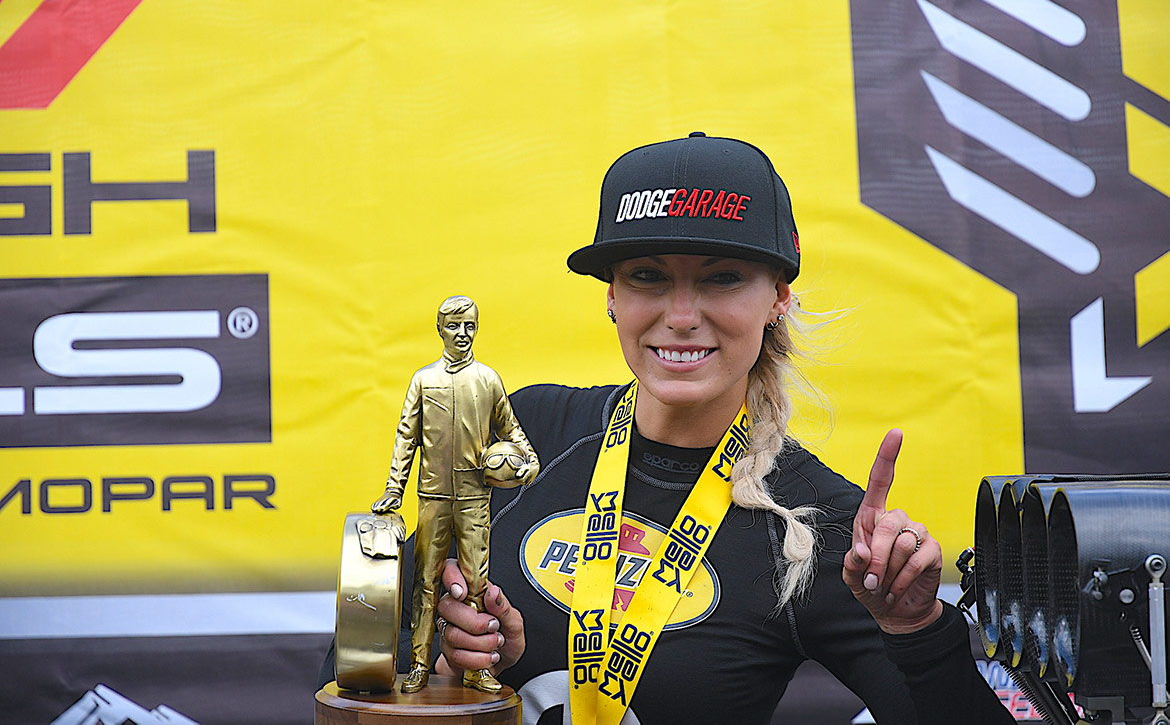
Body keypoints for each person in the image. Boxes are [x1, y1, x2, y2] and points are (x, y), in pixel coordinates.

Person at [325, 134, 1012, 724]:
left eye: (721, 278)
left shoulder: (815, 527)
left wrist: (917, 628)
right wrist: (448, 672)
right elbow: (350, 673)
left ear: (778, 297)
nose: (681, 315)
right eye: (649, 276)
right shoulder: (523, 429)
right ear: (612, 296)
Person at [369, 294, 539, 694]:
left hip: (475, 498)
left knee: (476, 583)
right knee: (425, 582)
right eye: (454, 326)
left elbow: (511, 429)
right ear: (440, 329)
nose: (462, 334)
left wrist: (528, 460)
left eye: (469, 326)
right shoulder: (423, 380)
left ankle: (478, 669)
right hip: (432, 498)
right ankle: (418, 665)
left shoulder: (488, 379)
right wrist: (395, 488)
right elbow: (406, 438)